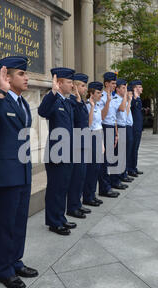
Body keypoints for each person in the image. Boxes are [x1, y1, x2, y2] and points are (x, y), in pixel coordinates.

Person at [0, 56, 38, 288]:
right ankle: (4, 270)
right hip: (5, 172)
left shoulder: (22, 103)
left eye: (26, 74)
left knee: (20, 220)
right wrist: (0, 93)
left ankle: (16, 261)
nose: (27, 77)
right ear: (7, 77)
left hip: (23, 170)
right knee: (6, 223)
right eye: (21, 74)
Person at [38, 67, 77, 236]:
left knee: (63, 187)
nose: (72, 85)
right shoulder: (54, 100)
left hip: (67, 151)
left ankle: (60, 218)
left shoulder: (67, 102)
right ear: (59, 83)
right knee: (55, 188)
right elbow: (42, 112)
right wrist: (52, 93)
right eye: (69, 82)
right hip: (56, 153)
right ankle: (54, 222)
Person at [66, 73, 91, 219]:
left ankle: (78, 203)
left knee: (81, 176)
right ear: (74, 86)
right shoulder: (71, 101)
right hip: (76, 143)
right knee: (76, 177)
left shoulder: (81, 101)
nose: (85, 88)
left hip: (83, 142)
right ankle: (72, 207)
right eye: (82, 85)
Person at [98, 72, 121, 198]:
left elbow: (114, 118)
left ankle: (108, 185)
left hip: (112, 128)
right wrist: (107, 101)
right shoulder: (102, 97)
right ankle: (104, 188)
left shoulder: (111, 97)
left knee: (110, 158)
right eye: (112, 83)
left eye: (115, 84)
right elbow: (102, 116)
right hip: (104, 128)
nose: (114, 86)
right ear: (106, 83)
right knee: (105, 160)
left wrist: (116, 134)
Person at [82, 82, 105, 207]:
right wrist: (91, 107)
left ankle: (92, 194)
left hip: (97, 135)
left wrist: (102, 143)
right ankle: (87, 197)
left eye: (101, 92)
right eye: (98, 93)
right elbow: (89, 124)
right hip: (90, 136)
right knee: (91, 168)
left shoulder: (97, 106)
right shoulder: (87, 106)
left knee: (96, 168)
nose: (100, 95)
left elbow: (99, 125)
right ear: (91, 94)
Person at [108, 79, 130, 190]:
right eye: (123, 88)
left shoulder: (121, 99)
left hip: (122, 126)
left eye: (125, 87)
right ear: (117, 89)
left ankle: (119, 177)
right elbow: (121, 109)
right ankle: (115, 180)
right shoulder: (116, 99)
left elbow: (125, 114)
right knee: (117, 155)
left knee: (121, 155)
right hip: (118, 127)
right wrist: (126, 96)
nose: (125, 90)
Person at [128, 80, 144, 177]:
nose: (141, 89)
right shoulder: (133, 99)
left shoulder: (138, 99)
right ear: (135, 88)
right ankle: (130, 168)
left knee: (136, 148)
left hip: (138, 127)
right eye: (140, 87)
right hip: (133, 127)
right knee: (132, 148)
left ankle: (134, 167)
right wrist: (133, 98)